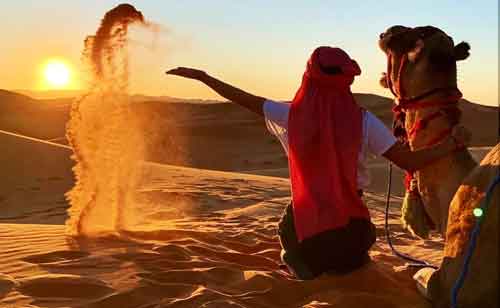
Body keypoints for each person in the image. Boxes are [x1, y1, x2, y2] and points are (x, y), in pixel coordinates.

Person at [166, 46, 470, 280]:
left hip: (306, 230)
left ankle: (300, 269)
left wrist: (203, 77)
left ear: (309, 75)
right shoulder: (363, 121)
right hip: (355, 232)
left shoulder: (290, 117)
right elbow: (409, 161)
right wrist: (451, 143)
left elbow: (245, 99)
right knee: (348, 252)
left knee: (289, 230)